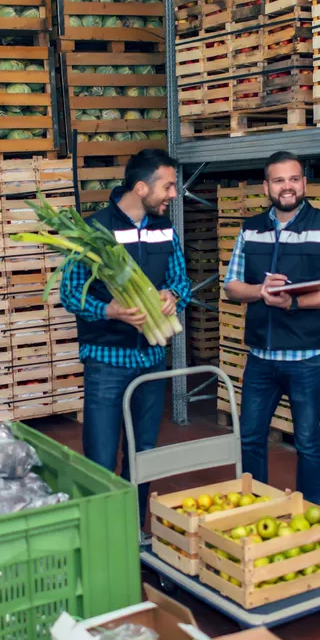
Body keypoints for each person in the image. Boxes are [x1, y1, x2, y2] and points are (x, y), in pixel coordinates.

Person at [60, 149, 191, 527]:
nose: (173, 194)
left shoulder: (164, 229)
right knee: (100, 455)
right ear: (140, 186)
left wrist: (173, 295)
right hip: (106, 361)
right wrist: (111, 311)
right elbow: (71, 294)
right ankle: (102, 532)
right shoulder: (93, 230)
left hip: (150, 359)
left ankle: (132, 529)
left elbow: (180, 279)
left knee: (143, 452)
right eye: (167, 186)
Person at [221, 151, 320, 504]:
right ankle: (255, 506)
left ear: (304, 183)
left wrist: (294, 302)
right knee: (249, 437)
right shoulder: (251, 229)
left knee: (308, 442)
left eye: (294, 179)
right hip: (262, 356)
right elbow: (232, 285)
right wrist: (260, 292)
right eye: (279, 180)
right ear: (266, 187)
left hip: (308, 357)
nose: (288, 186)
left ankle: (307, 511)